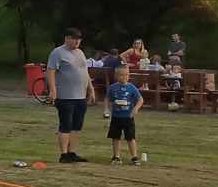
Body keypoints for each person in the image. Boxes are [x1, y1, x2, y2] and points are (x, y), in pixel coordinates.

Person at [46, 28, 95, 163]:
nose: (77, 42)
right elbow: (50, 71)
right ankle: (64, 154)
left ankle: (72, 152)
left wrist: (91, 89)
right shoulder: (58, 53)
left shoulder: (80, 53)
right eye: (74, 39)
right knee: (66, 125)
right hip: (65, 96)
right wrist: (53, 90)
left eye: (79, 39)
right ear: (67, 38)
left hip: (80, 96)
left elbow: (85, 72)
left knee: (76, 126)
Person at [107, 65, 146, 164]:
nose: (124, 77)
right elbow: (108, 99)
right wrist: (107, 110)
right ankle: (116, 156)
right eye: (122, 75)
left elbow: (140, 99)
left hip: (128, 117)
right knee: (115, 137)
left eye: (127, 75)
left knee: (130, 137)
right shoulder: (112, 88)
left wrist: (135, 109)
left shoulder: (131, 87)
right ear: (116, 76)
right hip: (116, 117)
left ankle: (134, 157)